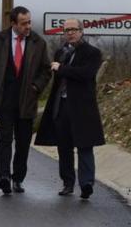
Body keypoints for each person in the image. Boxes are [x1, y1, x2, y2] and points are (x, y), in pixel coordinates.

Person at [0, 6, 51, 195]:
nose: (28, 26)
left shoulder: (38, 42)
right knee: (5, 139)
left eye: (29, 22)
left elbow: (46, 70)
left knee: (23, 141)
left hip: (27, 100)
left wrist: (36, 87)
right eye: (23, 23)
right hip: (4, 100)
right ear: (13, 24)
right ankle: (4, 177)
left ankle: (18, 178)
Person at [35, 18, 106, 199]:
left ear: (82, 31)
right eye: (67, 30)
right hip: (62, 105)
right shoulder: (61, 52)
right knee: (64, 147)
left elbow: (85, 74)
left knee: (84, 146)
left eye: (74, 29)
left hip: (82, 108)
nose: (70, 33)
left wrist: (62, 68)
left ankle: (86, 184)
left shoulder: (92, 53)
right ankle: (68, 183)